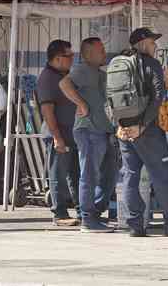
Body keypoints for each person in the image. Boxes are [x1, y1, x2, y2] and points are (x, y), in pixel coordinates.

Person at [116, 27, 168, 238]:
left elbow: (110, 97)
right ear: (143, 43)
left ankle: (135, 225)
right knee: (163, 176)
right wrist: (142, 126)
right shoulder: (150, 63)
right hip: (148, 131)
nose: (155, 46)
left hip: (125, 130)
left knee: (130, 175)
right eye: (153, 43)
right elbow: (159, 96)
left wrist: (119, 124)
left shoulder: (117, 65)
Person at [59, 38, 116, 234]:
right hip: (89, 130)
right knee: (90, 175)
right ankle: (87, 217)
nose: (104, 53)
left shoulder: (99, 73)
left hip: (103, 130)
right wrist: (81, 104)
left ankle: (96, 212)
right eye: (100, 50)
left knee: (108, 175)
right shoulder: (82, 70)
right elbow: (64, 83)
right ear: (88, 53)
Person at [36, 40, 80, 227]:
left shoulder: (65, 75)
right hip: (58, 132)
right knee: (58, 174)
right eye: (69, 56)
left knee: (75, 173)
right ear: (57, 58)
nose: (72, 59)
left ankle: (81, 210)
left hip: (72, 131)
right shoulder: (47, 78)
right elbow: (47, 111)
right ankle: (59, 213)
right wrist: (57, 137)